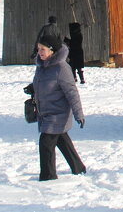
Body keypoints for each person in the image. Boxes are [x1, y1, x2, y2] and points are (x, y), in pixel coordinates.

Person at [32, 34, 86, 181]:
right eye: (38, 49)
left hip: (58, 113)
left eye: (43, 49)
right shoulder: (41, 66)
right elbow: (44, 83)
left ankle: (48, 177)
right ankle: (78, 167)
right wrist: (33, 88)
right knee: (62, 140)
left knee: (46, 143)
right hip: (45, 112)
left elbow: (72, 92)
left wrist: (78, 114)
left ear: (52, 50)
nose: (40, 52)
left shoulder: (62, 68)